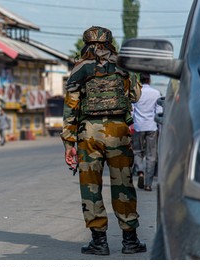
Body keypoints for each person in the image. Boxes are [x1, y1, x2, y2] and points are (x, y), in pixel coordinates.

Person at [61, 26, 146, 255]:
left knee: (91, 187)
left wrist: (69, 143)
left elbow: (71, 107)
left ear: (85, 43)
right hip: (118, 131)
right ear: (110, 42)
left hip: (88, 133)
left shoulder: (80, 67)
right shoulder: (123, 65)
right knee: (123, 185)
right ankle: (130, 241)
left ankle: (99, 242)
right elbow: (136, 96)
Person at [132, 73, 162, 192]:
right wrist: (160, 129)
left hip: (138, 126)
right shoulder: (156, 93)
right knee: (151, 155)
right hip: (152, 127)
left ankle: (140, 172)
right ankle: (148, 184)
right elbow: (159, 111)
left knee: (138, 152)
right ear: (149, 79)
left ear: (140, 80)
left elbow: (132, 111)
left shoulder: (136, 93)